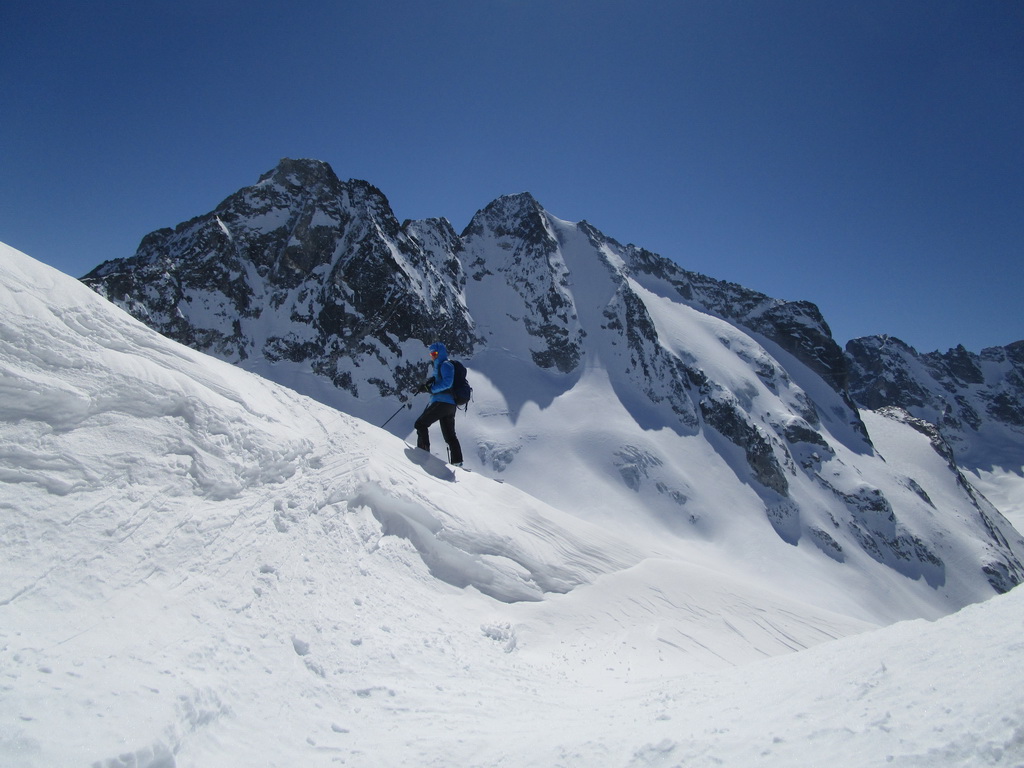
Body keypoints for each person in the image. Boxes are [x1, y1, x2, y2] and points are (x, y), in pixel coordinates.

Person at [414, 342, 464, 466]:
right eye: (431, 354)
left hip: (442, 402)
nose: (433, 356)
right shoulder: (440, 366)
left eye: (435, 353)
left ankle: (423, 454)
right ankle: (457, 462)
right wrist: (428, 385)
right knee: (450, 436)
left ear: (440, 353)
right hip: (449, 405)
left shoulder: (445, 365)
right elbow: (441, 382)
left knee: (420, 424)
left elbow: (447, 383)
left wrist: (431, 389)